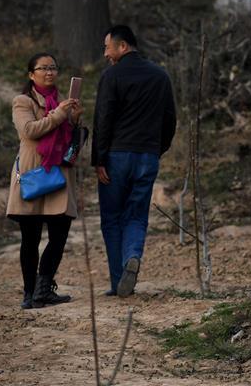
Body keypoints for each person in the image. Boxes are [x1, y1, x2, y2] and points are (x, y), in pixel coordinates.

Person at [93, 25, 176, 297]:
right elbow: (170, 120)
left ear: (123, 46)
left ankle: (119, 281)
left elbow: (103, 119)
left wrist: (99, 159)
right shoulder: (160, 76)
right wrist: (157, 150)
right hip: (147, 156)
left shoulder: (112, 76)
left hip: (117, 156)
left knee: (112, 217)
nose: (106, 54)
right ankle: (132, 255)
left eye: (108, 47)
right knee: (137, 215)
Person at [7, 53, 83, 309]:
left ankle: (44, 287)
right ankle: (29, 294)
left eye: (53, 67)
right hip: (33, 174)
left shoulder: (61, 101)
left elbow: (67, 136)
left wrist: (73, 119)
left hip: (59, 174)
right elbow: (29, 131)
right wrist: (60, 116)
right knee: (30, 238)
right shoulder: (22, 101)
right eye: (43, 68)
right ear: (31, 74)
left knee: (59, 234)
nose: (49, 72)